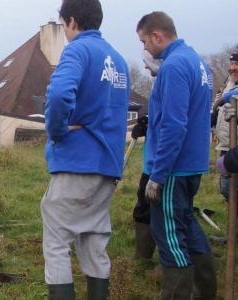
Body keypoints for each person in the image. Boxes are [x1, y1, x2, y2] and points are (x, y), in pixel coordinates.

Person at [40, 1, 129, 298]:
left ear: (72, 21)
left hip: (77, 162)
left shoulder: (78, 50)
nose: (64, 32)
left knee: (56, 243)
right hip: (108, 165)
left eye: (63, 25)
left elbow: (59, 93)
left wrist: (57, 132)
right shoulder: (117, 59)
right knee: (94, 240)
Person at [137, 11, 216, 299]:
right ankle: (206, 291)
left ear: (157, 36)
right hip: (192, 165)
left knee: (169, 236)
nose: (145, 49)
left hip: (173, 170)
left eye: (145, 42)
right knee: (186, 225)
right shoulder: (198, 62)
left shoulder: (173, 66)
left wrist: (157, 176)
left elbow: (173, 123)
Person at [128, 50, 161, 262]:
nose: (145, 68)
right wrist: (147, 124)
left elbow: (172, 125)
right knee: (143, 207)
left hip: (162, 164)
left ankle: (169, 265)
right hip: (151, 163)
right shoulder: (159, 84)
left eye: (147, 63)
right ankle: (142, 255)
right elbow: (160, 119)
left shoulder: (170, 80)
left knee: (163, 216)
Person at [209, 49, 238, 245]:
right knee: (228, 190)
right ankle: (234, 236)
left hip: (236, 149)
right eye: (232, 63)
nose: (233, 66)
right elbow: (216, 109)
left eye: (237, 63)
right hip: (226, 145)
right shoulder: (228, 85)